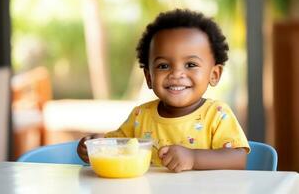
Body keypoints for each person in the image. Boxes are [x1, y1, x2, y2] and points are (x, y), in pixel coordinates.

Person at [77, 9, 250, 172]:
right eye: (163, 66)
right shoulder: (140, 116)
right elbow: (117, 146)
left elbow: (237, 158)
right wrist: (95, 146)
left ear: (214, 74)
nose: (176, 74)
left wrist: (193, 158)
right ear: (149, 77)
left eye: (190, 64)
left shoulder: (217, 115)